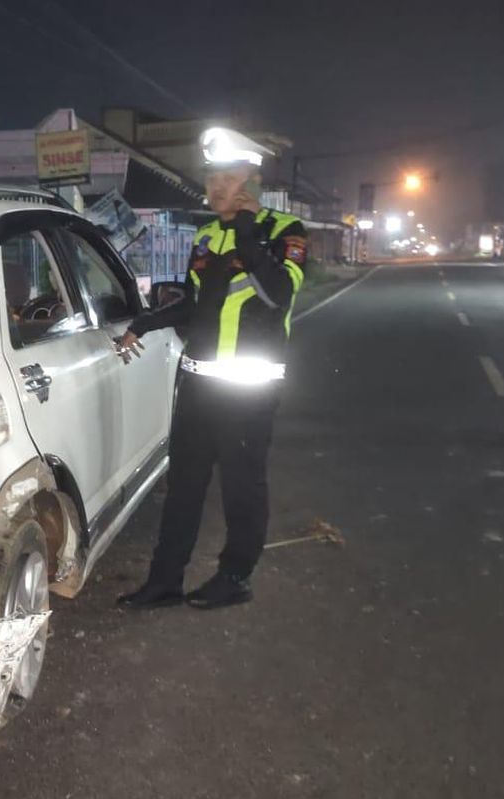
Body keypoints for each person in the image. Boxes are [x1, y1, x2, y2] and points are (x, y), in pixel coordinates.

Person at [114, 128, 308, 611]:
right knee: (182, 488)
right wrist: (146, 321)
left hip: (248, 392)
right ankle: (164, 581)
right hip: (197, 386)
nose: (216, 186)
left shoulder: (284, 232)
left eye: (228, 176)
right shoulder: (204, 235)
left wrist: (247, 233)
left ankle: (234, 577)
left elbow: (277, 295)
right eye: (211, 176)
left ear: (252, 180)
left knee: (242, 489)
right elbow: (197, 306)